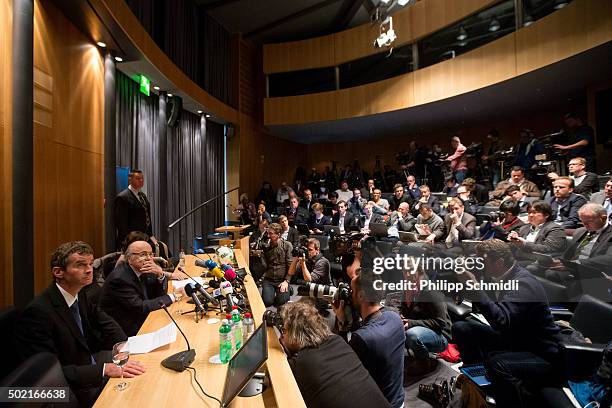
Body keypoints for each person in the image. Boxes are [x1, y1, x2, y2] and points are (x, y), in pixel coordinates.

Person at [17, 242, 145, 407]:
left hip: (87, 361)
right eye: (80, 265)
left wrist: (123, 345)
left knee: (141, 366)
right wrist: (104, 369)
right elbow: (49, 373)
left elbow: (106, 322)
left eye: (91, 263)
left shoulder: (80, 292)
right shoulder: (38, 313)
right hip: (68, 385)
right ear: (58, 272)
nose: (89, 269)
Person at [452, 240, 563, 408]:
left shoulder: (523, 283)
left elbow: (501, 321)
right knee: (462, 328)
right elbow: (473, 302)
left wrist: (475, 287)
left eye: (483, 260)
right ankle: (476, 380)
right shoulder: (497, 275)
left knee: (497, 363)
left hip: (541, 351)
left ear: (499, 263)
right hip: (515, 337)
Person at [280, 300, 392, 408]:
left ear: (295, 335)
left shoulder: (298, 364)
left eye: (284, 331)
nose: (282, 336)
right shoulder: (337, 340)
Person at [332, 268, 405, 408]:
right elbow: (370, 327)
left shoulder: (362, 338)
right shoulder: (395, 318)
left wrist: (342, 323)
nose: (350, 295)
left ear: (361, 296)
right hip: (398, 401)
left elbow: (343, 365)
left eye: (352, 292)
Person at [100, 236, 181, 336]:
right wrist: (173, 296)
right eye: (142, 255)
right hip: (125, 331)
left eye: (151, 254)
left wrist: (160, 275)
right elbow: (140, 307)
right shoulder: (120, 278)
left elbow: (156, 297)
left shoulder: (144, 269)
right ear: (129, 258)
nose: (148, 258)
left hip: (142, 319)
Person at [401, 268, 451, 382]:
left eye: (411, 270)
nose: (407, 274)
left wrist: (410, 322)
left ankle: (423, 363)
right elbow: (404, 309)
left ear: (419, 271)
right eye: (405, 271)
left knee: (412, 334)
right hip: (423, 328)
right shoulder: (409, 288)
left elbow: (441, 322)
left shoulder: (430, 291)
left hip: (441, 335)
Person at [544, 203, 612, 283]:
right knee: (537, 268)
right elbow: (568, 254)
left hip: (593, 271)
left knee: (552, 275)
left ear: (603, 218)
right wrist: (558, 261)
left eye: (589, 221)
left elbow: (608, 259)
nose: (585, 225)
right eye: (582, 221)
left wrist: (575, 263)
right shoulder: (580, 231)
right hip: (572, 267)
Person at [113, 169, 152, 250]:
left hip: (144, 238)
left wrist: (150, 235)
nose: (141, 181)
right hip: (131, 241)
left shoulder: (142, 195)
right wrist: (129, 241)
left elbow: (147, 217)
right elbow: (121, 224)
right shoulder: (122, 197)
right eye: (138, 178)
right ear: (130, 180)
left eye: (142, 178)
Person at [258, 223, 293, 308]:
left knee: (282, 302)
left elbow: (291, 265)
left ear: (278, 234)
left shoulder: (287, 245)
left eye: (271, 233)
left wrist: (286, 281)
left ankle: (289, 288)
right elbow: (264, 266)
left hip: (282, 280)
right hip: (269, 279)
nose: (269, 236)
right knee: (267, 302)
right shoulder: (266, 245)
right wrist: (261, 255)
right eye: (268, 233)